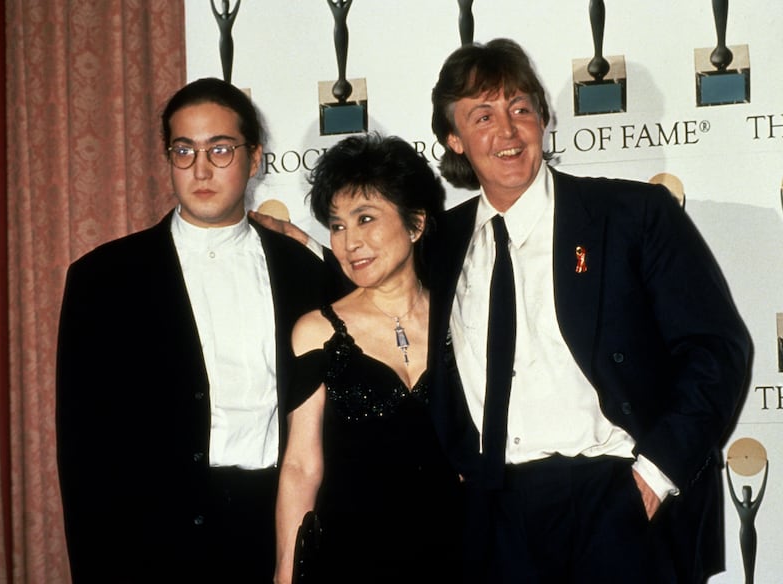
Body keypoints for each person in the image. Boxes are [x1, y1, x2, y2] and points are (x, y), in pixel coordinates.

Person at [426, 38, 751, 583]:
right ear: (454, 139)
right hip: (495, 516)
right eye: (483, 115)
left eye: (521, 108)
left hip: (615, 499)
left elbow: (716, 350)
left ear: (543, 121)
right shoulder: (438, 246)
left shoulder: (631, 215)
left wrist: (653, 477)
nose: (508, 131)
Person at [56, 77, 335, 583]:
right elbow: (83, 453)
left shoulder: (307, 272)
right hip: (153, 542)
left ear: (255, 160)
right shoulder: (103, 278)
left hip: (273, 530)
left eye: (220, 149)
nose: (201, 169)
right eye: (184, 150)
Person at [274, 133, 461, 584]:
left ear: (416, 224)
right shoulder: (317, 331)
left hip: (460, 551)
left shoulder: (465, 315)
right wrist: (284, 572)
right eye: (337, 225)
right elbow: (301, 466)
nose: (348, 242)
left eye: (365, 219)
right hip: (352, 558)